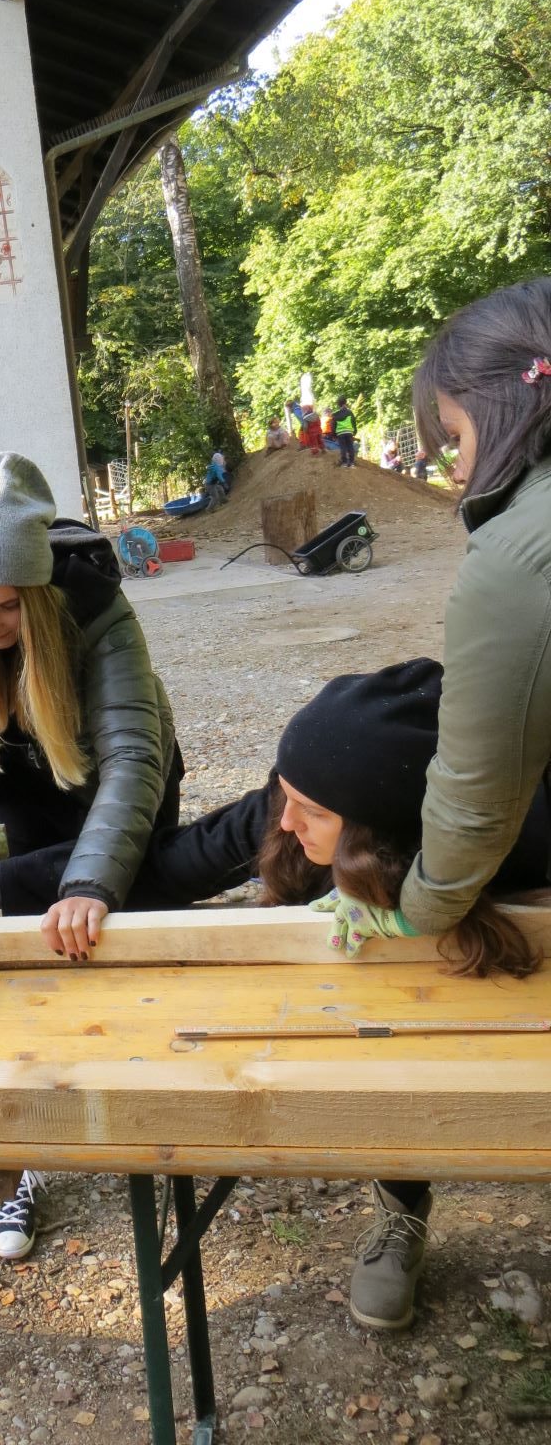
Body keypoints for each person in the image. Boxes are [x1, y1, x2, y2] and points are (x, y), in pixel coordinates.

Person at [131, 660, 547, 1333]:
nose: (287, 821)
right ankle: (402, 1200)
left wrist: (437, 916)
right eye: (285, 794)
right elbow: (173, 863)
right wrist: (48, 889)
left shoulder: (529, 826)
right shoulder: (300, 801)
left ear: (384, 831)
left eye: (314, 811)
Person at [0, 453, 180, 1260]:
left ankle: (147, 1116)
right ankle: (8, 1166)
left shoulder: (95, 607)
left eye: (8, 607)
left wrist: (90, 883)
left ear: (39, 592)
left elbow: (133, 760)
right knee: (8, 974)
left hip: (116, 782)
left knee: (122, 940)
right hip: (15, 782)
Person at [314, 280, 551, 974]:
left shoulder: (517, 558)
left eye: (456, 436)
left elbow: (478, 790)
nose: (458, 469)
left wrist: (417, 911)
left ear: (507, 405)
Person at [331, 394, 358, 467]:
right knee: (350, 446)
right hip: (349, 432)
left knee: (343, 447)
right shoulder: (350, 412)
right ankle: (351, 462)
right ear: (346, 402)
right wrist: (355, 431)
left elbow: (333, 425)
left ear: (338, 404)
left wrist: (333, 435)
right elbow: (353, 422)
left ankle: (344, 462)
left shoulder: (335, 414)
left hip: (340, 433)